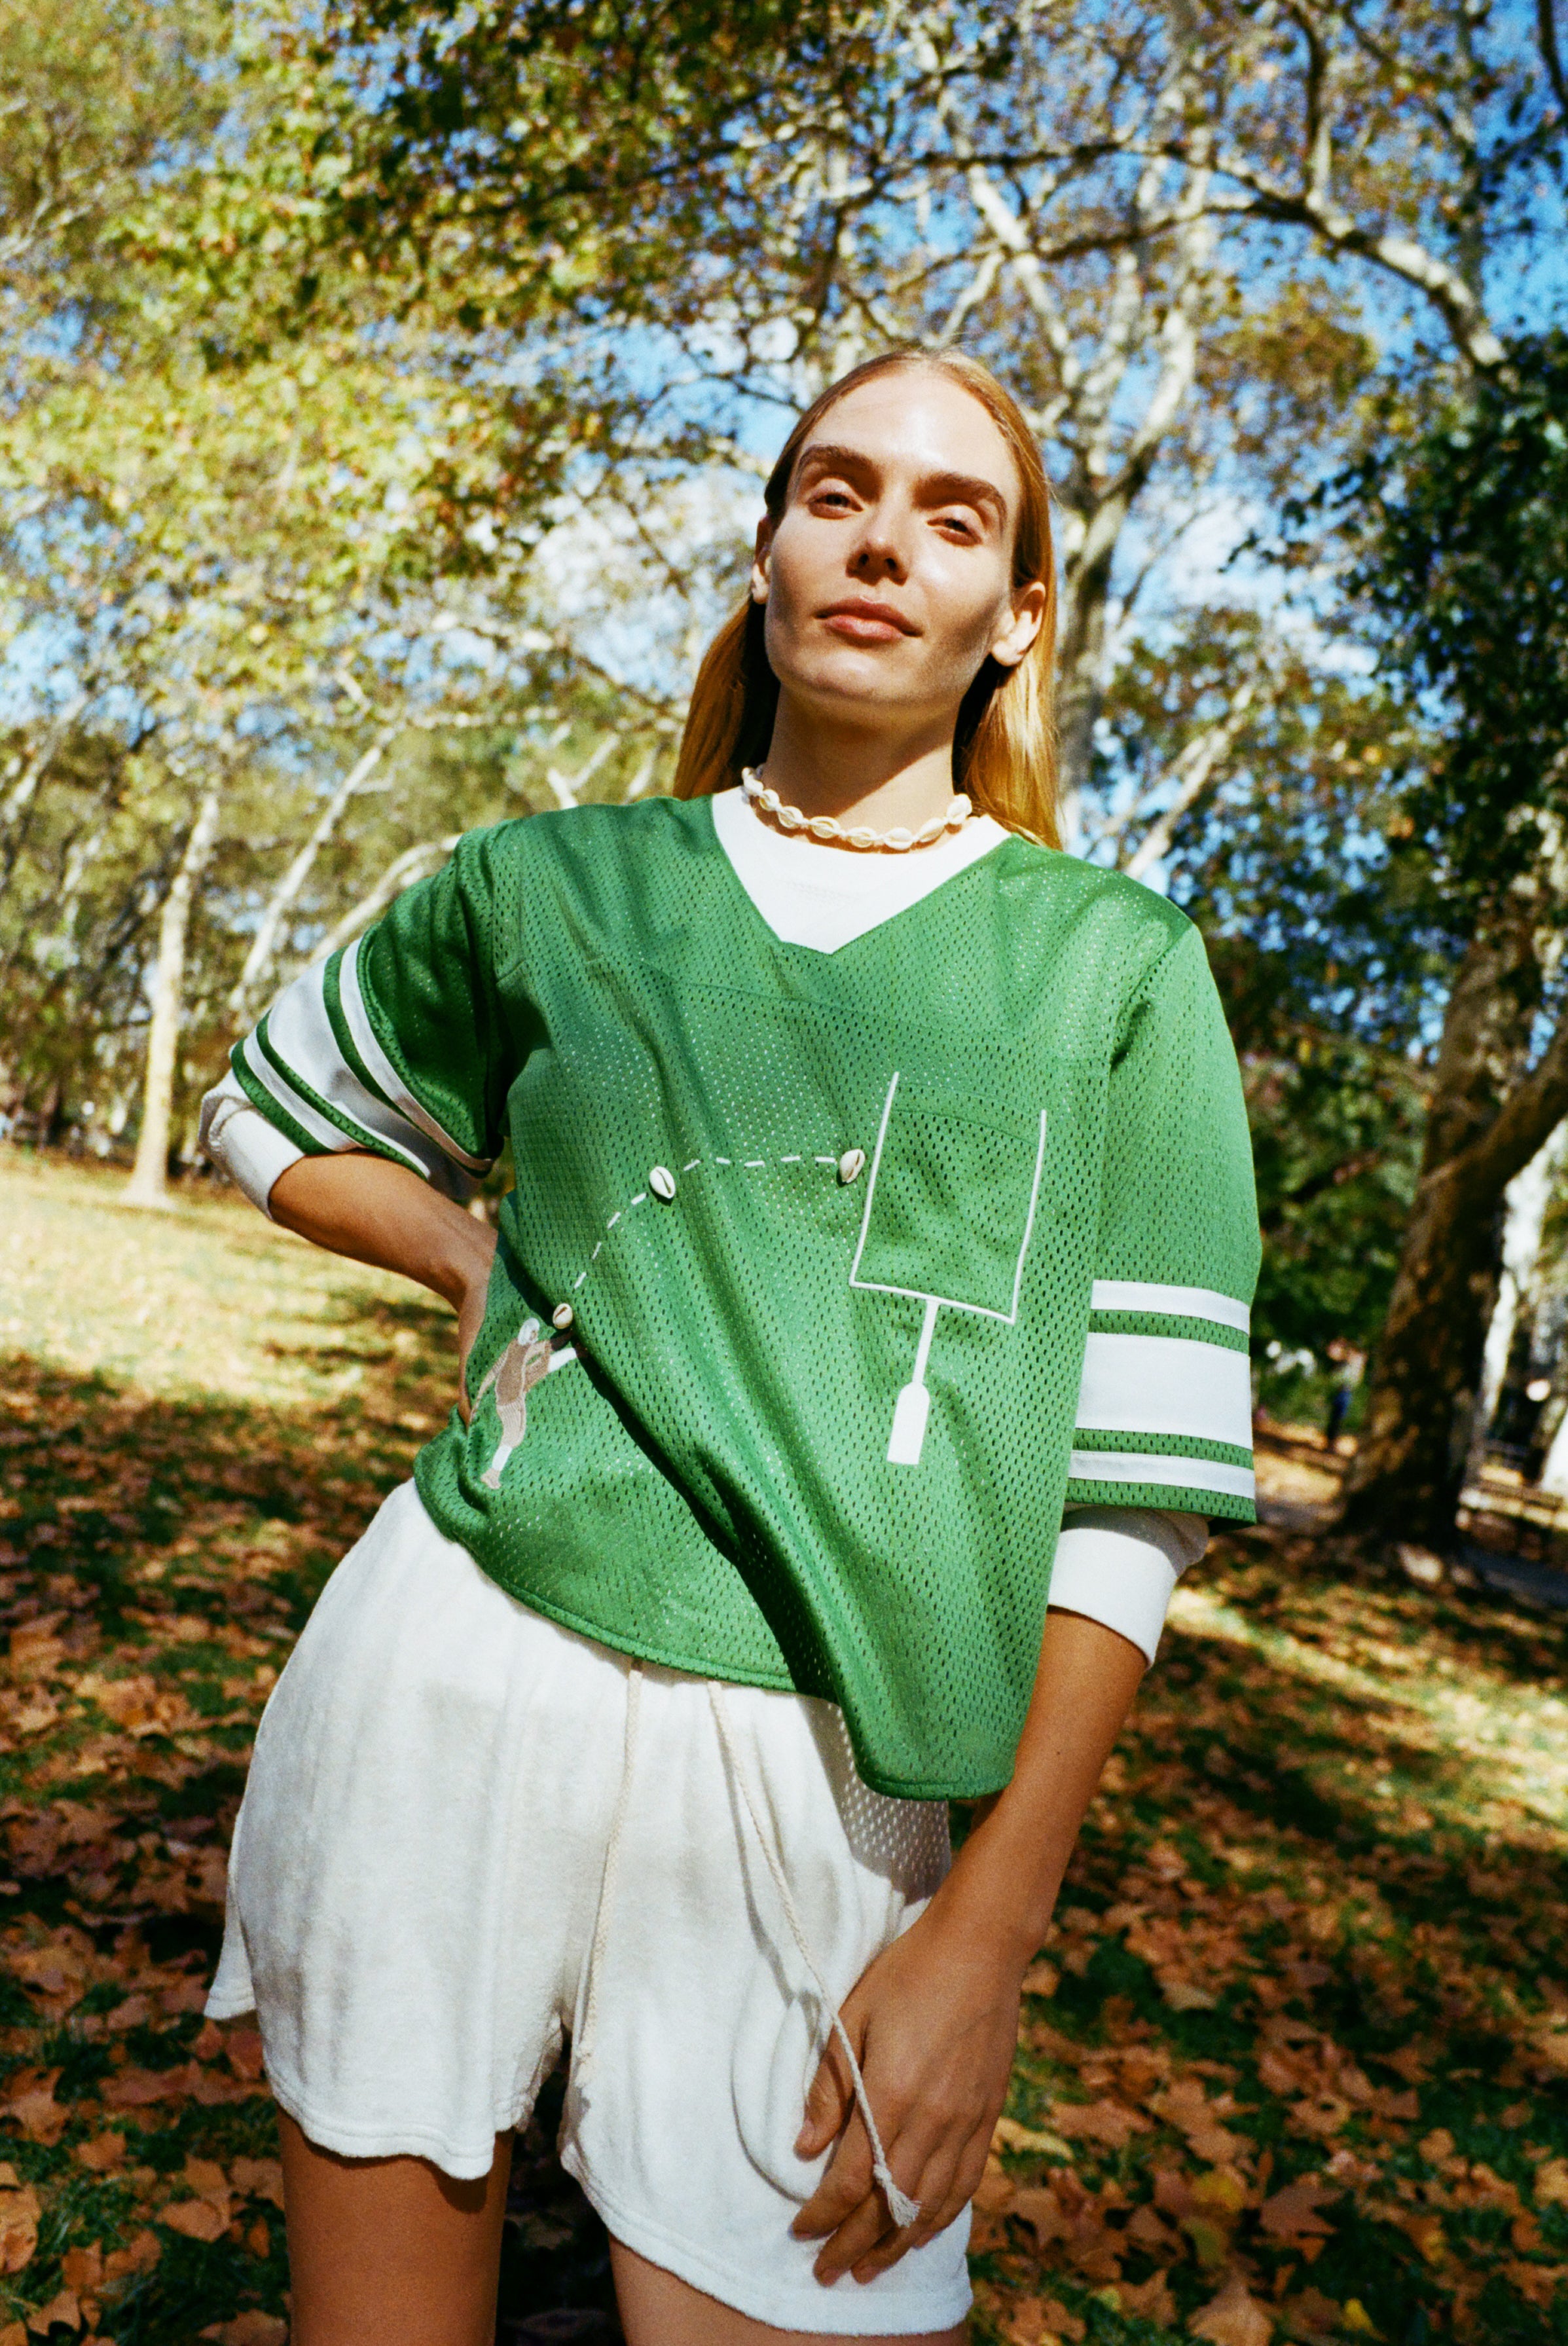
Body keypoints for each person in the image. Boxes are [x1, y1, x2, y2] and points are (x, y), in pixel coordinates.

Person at [199, 348, 1260, 2346]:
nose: (881, 542)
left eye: (954, 518)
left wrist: (987, 1934)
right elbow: (270, 1106)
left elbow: (1134, 1498)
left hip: (827, 1784)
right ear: (766, 550)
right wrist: (470, 1263)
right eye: (834, 492)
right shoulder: (555, 882)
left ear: (1014, 616)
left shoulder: (1110, 966)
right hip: (450, 1673)